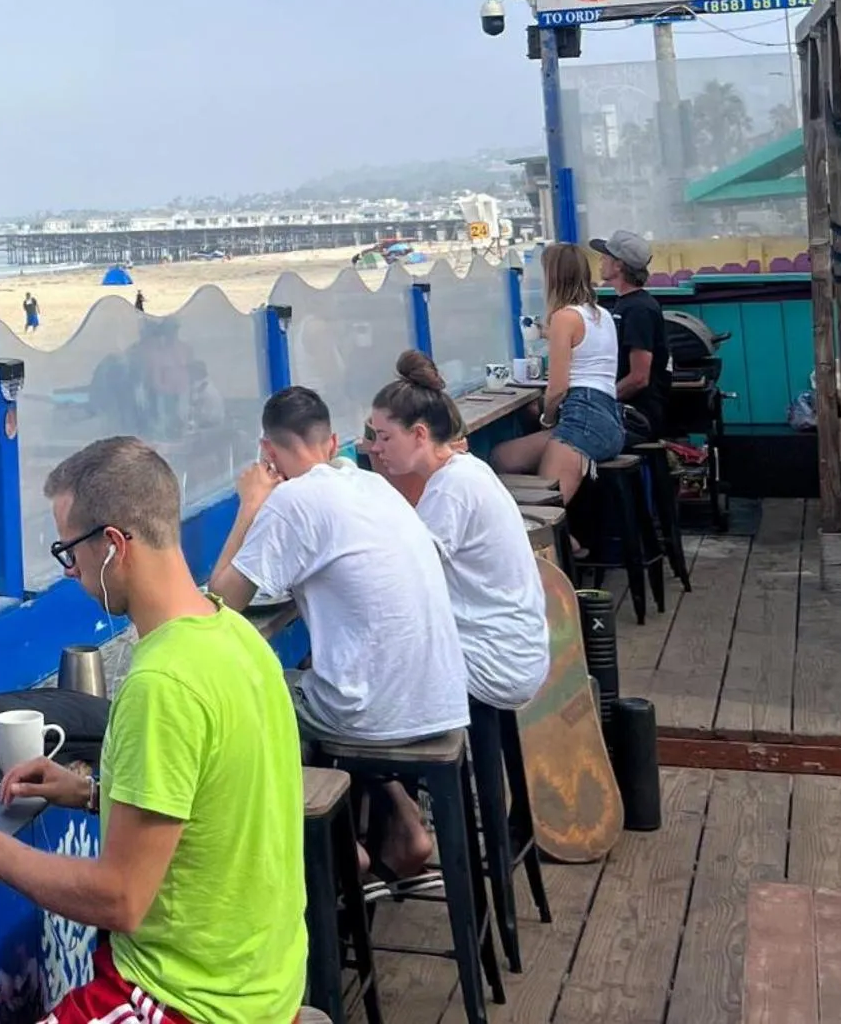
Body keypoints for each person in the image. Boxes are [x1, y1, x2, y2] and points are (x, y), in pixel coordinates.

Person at [0, 437, 307, 1024]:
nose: (71, 573)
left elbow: (119, 898)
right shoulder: (233, 634)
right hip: (266, 980)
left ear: (114, 546)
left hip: (187, 1001)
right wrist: (91, 792)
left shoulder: (163, 683)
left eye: (70, 553)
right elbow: (215, 804)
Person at [208, 386, 468, 884]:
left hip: (374, 717)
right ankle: (406, 822)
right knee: (331, 674)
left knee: (256, 692)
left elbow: (223, 599)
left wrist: (250, 504)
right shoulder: (369, 485)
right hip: (441, 700)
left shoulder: (291, 499)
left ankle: (338, 846)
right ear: (332, 445)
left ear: (268, 453)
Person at [367, 351, 550, 711]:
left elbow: (402, 582)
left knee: (361, 678)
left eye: (384, 437)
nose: (375, 448)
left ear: (419, 434)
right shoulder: (464, 470)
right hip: (515, 650)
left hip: (493, 665)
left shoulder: (452, 489)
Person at [488, 241, 625, 503]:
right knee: (503, 458)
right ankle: (570, 538)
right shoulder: (602, 315)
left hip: (582, 420)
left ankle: (567, 542)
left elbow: (558, 388)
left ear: (554, 278)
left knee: (546, 510)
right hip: (609, 421)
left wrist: (546, 419)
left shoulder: (564, 317)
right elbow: (582, 344)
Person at [593, 230, 673, 442]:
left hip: (637, 417)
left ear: (618, 265)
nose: (600, 260)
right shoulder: (627, 305)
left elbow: (639, 378)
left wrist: (599, 401)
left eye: (605, 256)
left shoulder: (639, 310)